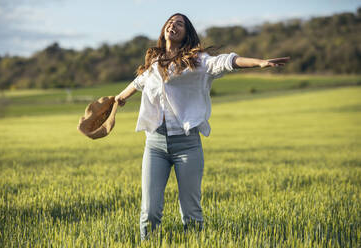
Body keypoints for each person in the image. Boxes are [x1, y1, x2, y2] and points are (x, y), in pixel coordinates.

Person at [115, 13, 289, 240]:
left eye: (179, 24)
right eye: (170, 22)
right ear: (164, 30)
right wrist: (119, 98)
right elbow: (138, 82)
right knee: (149, 212)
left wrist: (259, 63)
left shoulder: (198, 61)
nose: (172, 25)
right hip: (155, 145)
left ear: (186, 33)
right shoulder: (154, 64)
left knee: (191, 212)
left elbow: (227, 61)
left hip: (187, 146)